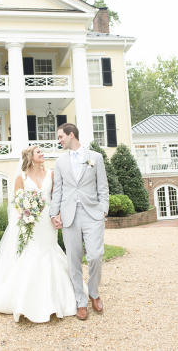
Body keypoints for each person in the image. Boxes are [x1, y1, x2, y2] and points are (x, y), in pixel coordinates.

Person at [0, 145, 81, 323]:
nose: (42, 154)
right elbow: (15, 202)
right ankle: (28, 300)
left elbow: (56, 197)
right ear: (30, 157)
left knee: (51, 250)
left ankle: (59, 298)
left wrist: (58, 215)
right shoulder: (20, 177)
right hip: (31, 221)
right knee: (33, 253)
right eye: (39, 152)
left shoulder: (51, 175)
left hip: (48, 220)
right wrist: (24, 214)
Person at [50, 123, 109, 320]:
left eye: (61, 137)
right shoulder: (59, 162)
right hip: (69, 215)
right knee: (73, 259)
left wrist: (103, 209)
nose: (59, 140)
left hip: (92, 214)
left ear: (71, 134)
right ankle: (81, 301)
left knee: (95, 255)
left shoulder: (96, 158)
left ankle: (94, 292)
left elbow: (103, 186)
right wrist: (53, 213)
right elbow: (57, 190)